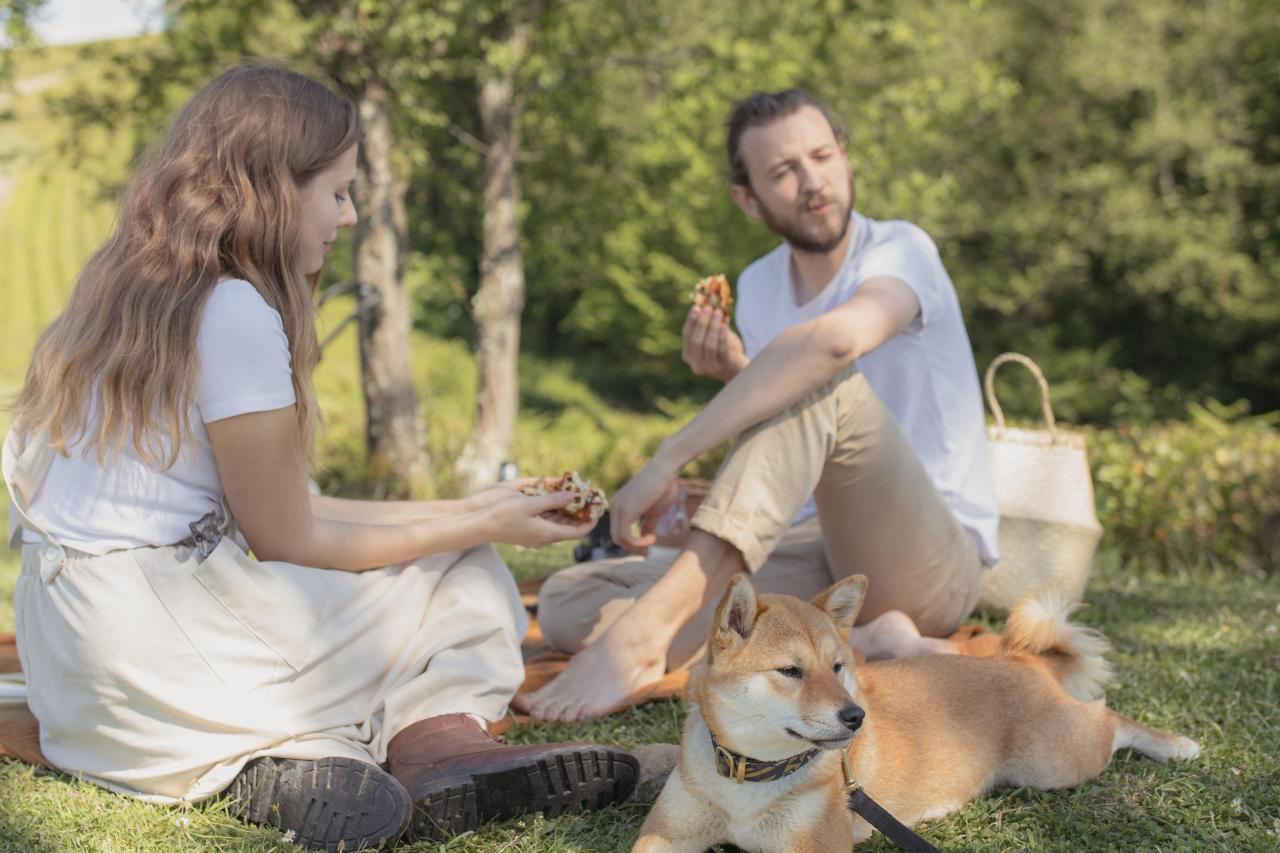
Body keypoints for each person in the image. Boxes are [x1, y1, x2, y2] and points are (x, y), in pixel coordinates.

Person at [2, 65, 637, 851]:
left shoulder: (126, 290)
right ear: (271, 191)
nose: (350, 214)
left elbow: (283, 509)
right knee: (471, 573)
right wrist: (477, 532)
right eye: (336, 192)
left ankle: (298, 760)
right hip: (160, 643)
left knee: (458, 545)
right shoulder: (230, 308)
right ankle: (441, 743)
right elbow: (291, 537)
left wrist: (482, 507)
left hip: (79, 673)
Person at [515, 89, 999, 723]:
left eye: (822, 156)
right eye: (783, 171)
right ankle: (868, 643)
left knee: (819, 375)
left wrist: (670, 458)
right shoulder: (759, 284)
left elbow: (833, 346)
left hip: (928, 558)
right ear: (749, 199)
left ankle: (641, 642)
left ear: (845, 159)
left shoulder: (903, 250)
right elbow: (796, 439)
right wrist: (739, 377)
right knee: (569, 600)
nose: (812, 182)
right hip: (816, 543)